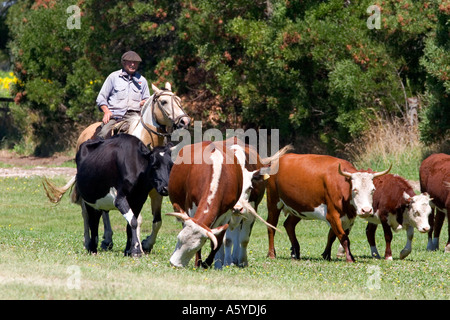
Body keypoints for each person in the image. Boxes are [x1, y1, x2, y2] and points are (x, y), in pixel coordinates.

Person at [96, 50, 150, 137]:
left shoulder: (142, 80)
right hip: (116, 116)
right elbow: (101, 98)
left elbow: (147, 100)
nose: (133, 64)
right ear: (123, 63)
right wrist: (106, 112)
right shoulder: (113, 77)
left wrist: (144, 102)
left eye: (135, 62)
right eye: (130, 62)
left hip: (135, 117)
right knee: (103, 134)